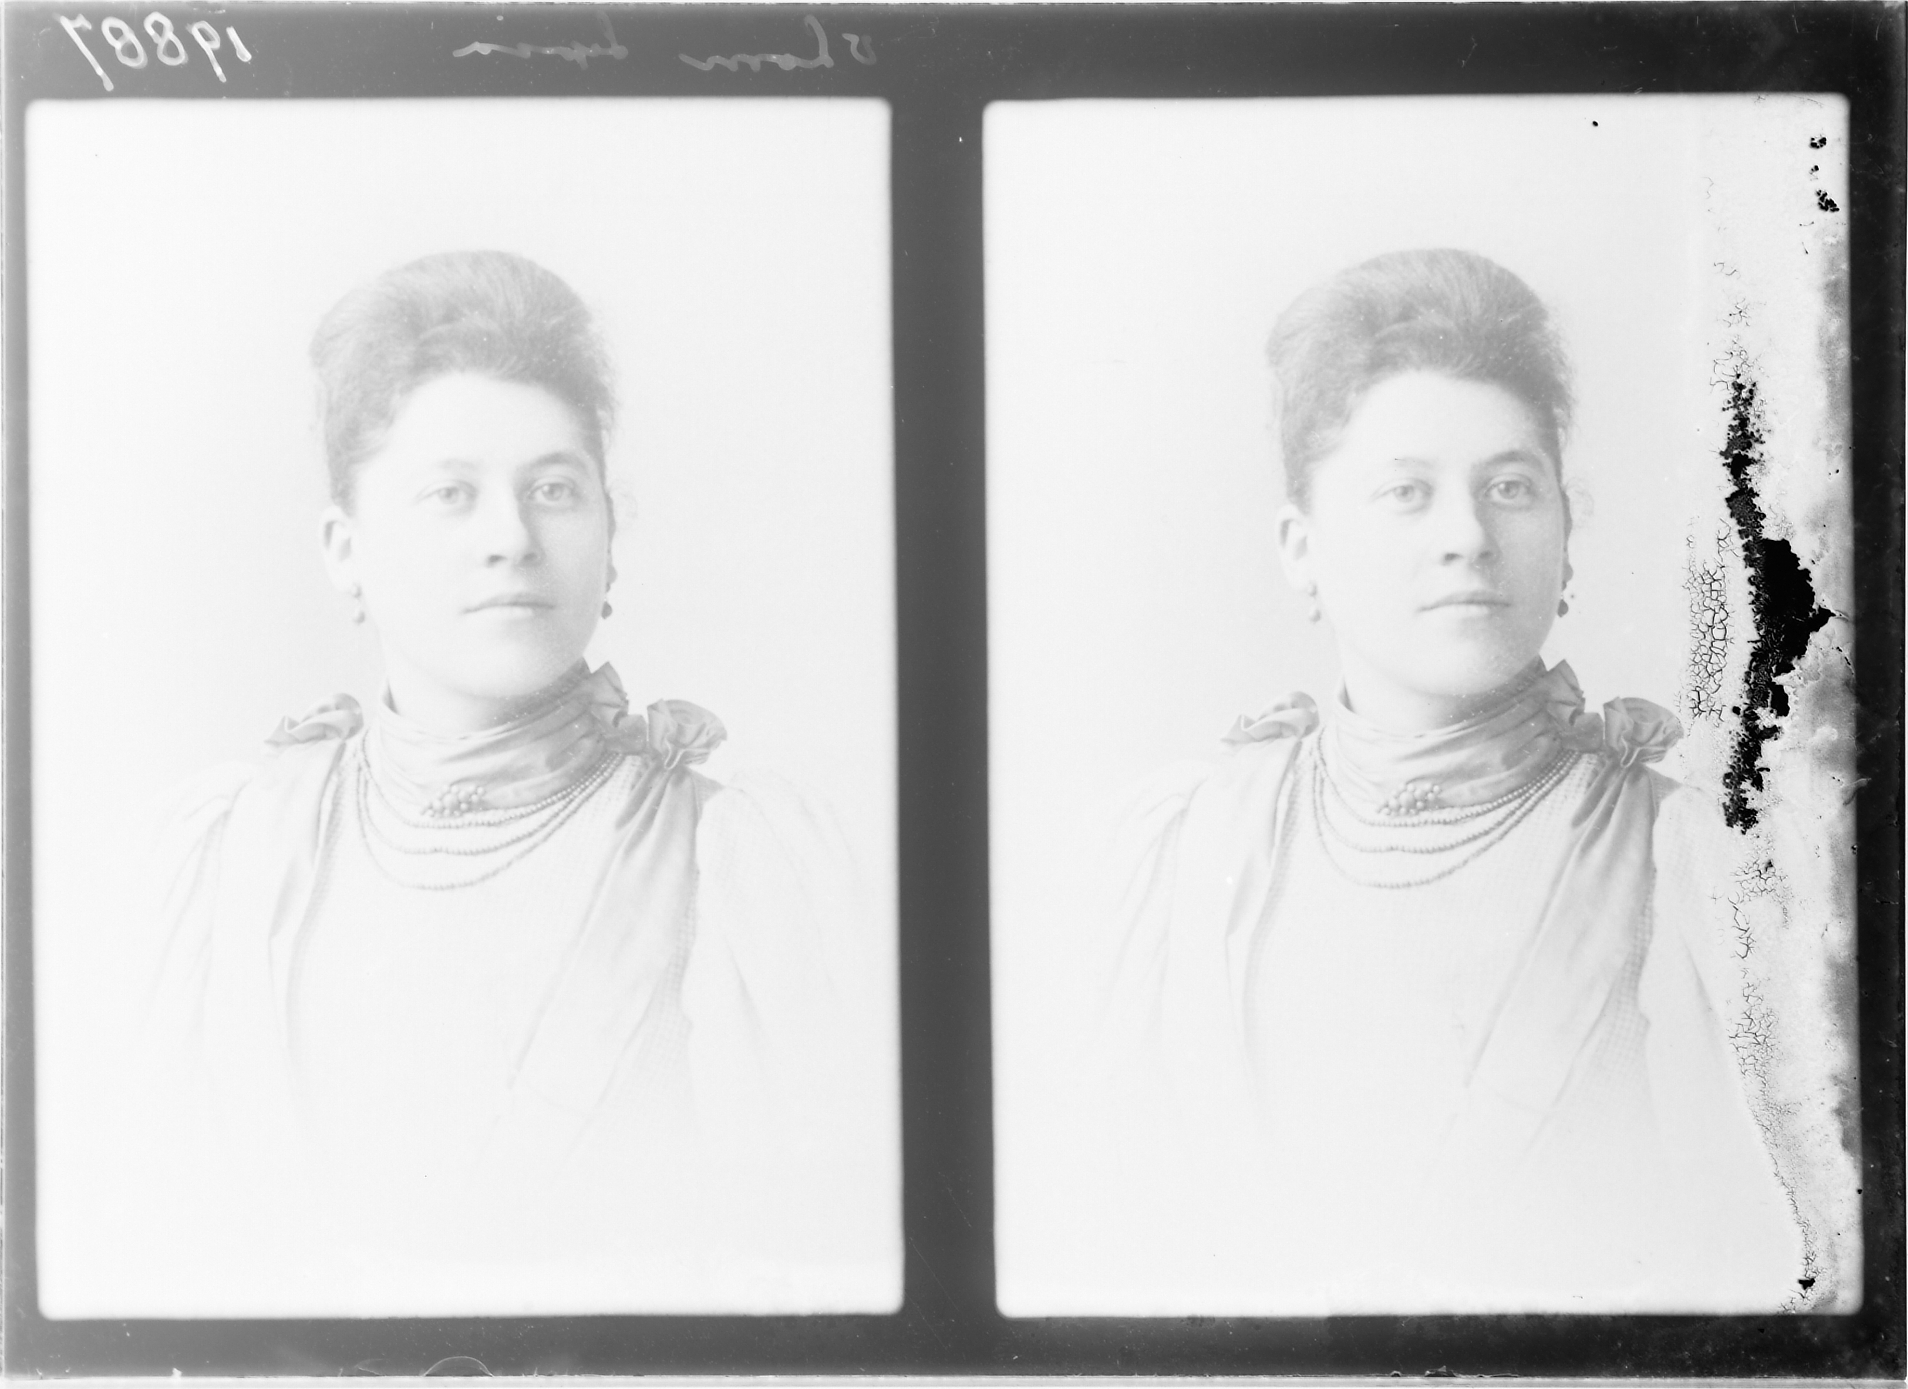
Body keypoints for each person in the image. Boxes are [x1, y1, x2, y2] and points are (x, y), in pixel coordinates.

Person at [86, 251, 897, 1316]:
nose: (512, 539)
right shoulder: (213, 864)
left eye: (554, 490)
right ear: (343, 549)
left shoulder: (737, 869)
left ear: (610, 538)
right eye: (451, 494)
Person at [1050, 249, 1809, 1314]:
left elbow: (1761, 1299)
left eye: (1510, 488)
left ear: (1566, 534)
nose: (1467, 538)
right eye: (1406, 492)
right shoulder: (1175, 855)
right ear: (1301, 549)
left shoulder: (1684, 866)